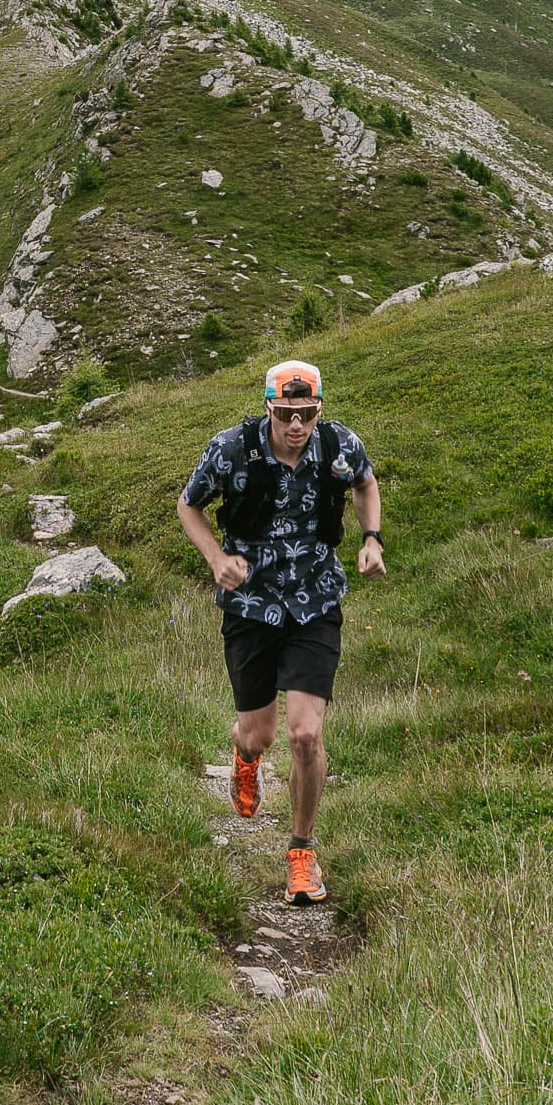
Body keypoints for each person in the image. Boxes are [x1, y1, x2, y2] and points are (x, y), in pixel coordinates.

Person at [177, 357, 383, 906]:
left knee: (305, 734)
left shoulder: (339, 445)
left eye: (307, 414)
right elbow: (189, 505)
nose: (297, 425)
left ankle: (301, 852)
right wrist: (215, 557)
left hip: (315, 602)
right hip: (249, 605)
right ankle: (245, 762)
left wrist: (372, 538)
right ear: (269, 406)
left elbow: (366, 483)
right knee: (260, 734)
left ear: (319, 410)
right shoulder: (232, 449)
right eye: (287, 413)